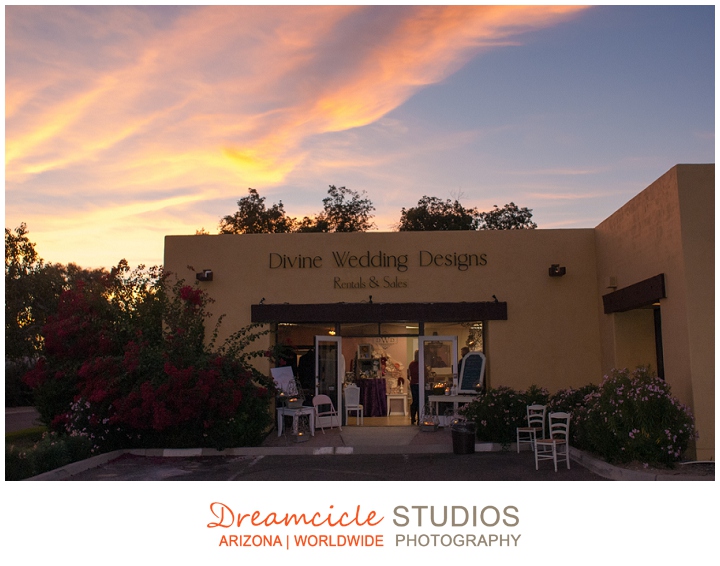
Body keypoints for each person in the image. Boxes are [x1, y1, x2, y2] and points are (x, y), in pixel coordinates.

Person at [408, 350, 420, 425]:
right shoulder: (421, 364)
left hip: (413, 383)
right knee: (419, 401)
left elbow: (409, 374)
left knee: (415, 400)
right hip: (419, 384)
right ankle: (419, 418)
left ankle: (413, 418)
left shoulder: (411, 364)